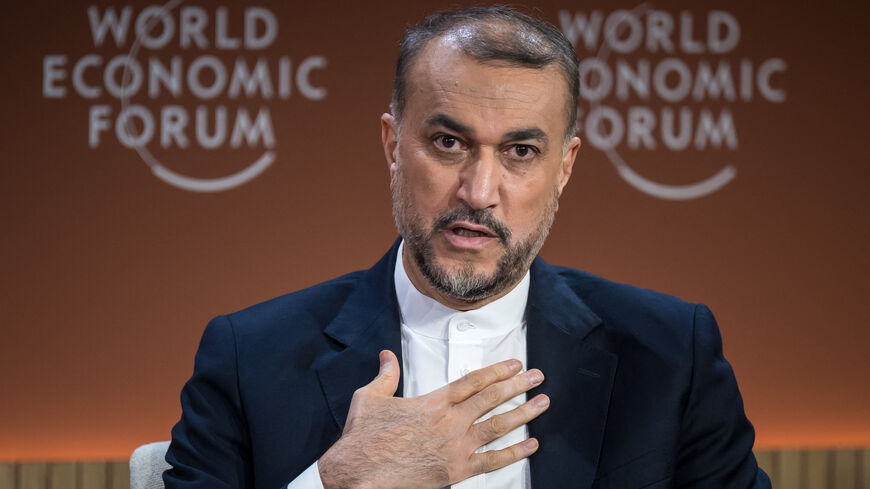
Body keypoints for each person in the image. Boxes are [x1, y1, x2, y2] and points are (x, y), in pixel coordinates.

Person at [164, 6, 770, 489]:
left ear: (565, 167)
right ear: (393, 145)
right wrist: (337, 483)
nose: (479, 192)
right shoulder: (250, 357)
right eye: (449, 142)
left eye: (521, 152)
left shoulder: (669, 354)